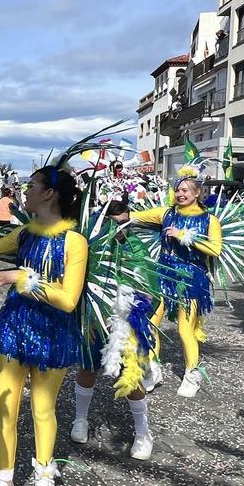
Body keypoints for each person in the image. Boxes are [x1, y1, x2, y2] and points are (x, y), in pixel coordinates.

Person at [0, 164, 87, 486]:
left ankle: (44, 472)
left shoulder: (75, 242)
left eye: (32, 186)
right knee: (5, 407)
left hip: (53, 334)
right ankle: (5, 484)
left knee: (43, 408)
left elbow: (68, 300)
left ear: (49, 194)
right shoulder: (25, 233)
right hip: (14, 327)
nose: (24, 192)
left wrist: (22, 276)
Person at [69, 197, 158, 462]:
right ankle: (80, 419)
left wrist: (134, 320)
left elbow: (151, 289)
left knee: (132, 376)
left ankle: (143, 432)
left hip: (126, 322)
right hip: (95, 318)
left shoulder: (136, 247)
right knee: (87, 367)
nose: (121, 229)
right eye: (115, 223)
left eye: (126, 223)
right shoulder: (93, 246)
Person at [129, 171, 223, 398]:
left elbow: (215, 249)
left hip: (191, 279)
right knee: (152, 323)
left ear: (197, 193)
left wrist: (185, 236)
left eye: (185, 191)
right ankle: (152, 368)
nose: (180, 194)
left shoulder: (210, 221)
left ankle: (192, 373)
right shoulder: (166, 214)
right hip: (163, 274)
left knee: (184, 329)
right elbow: (134, 216)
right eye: (178, 190)